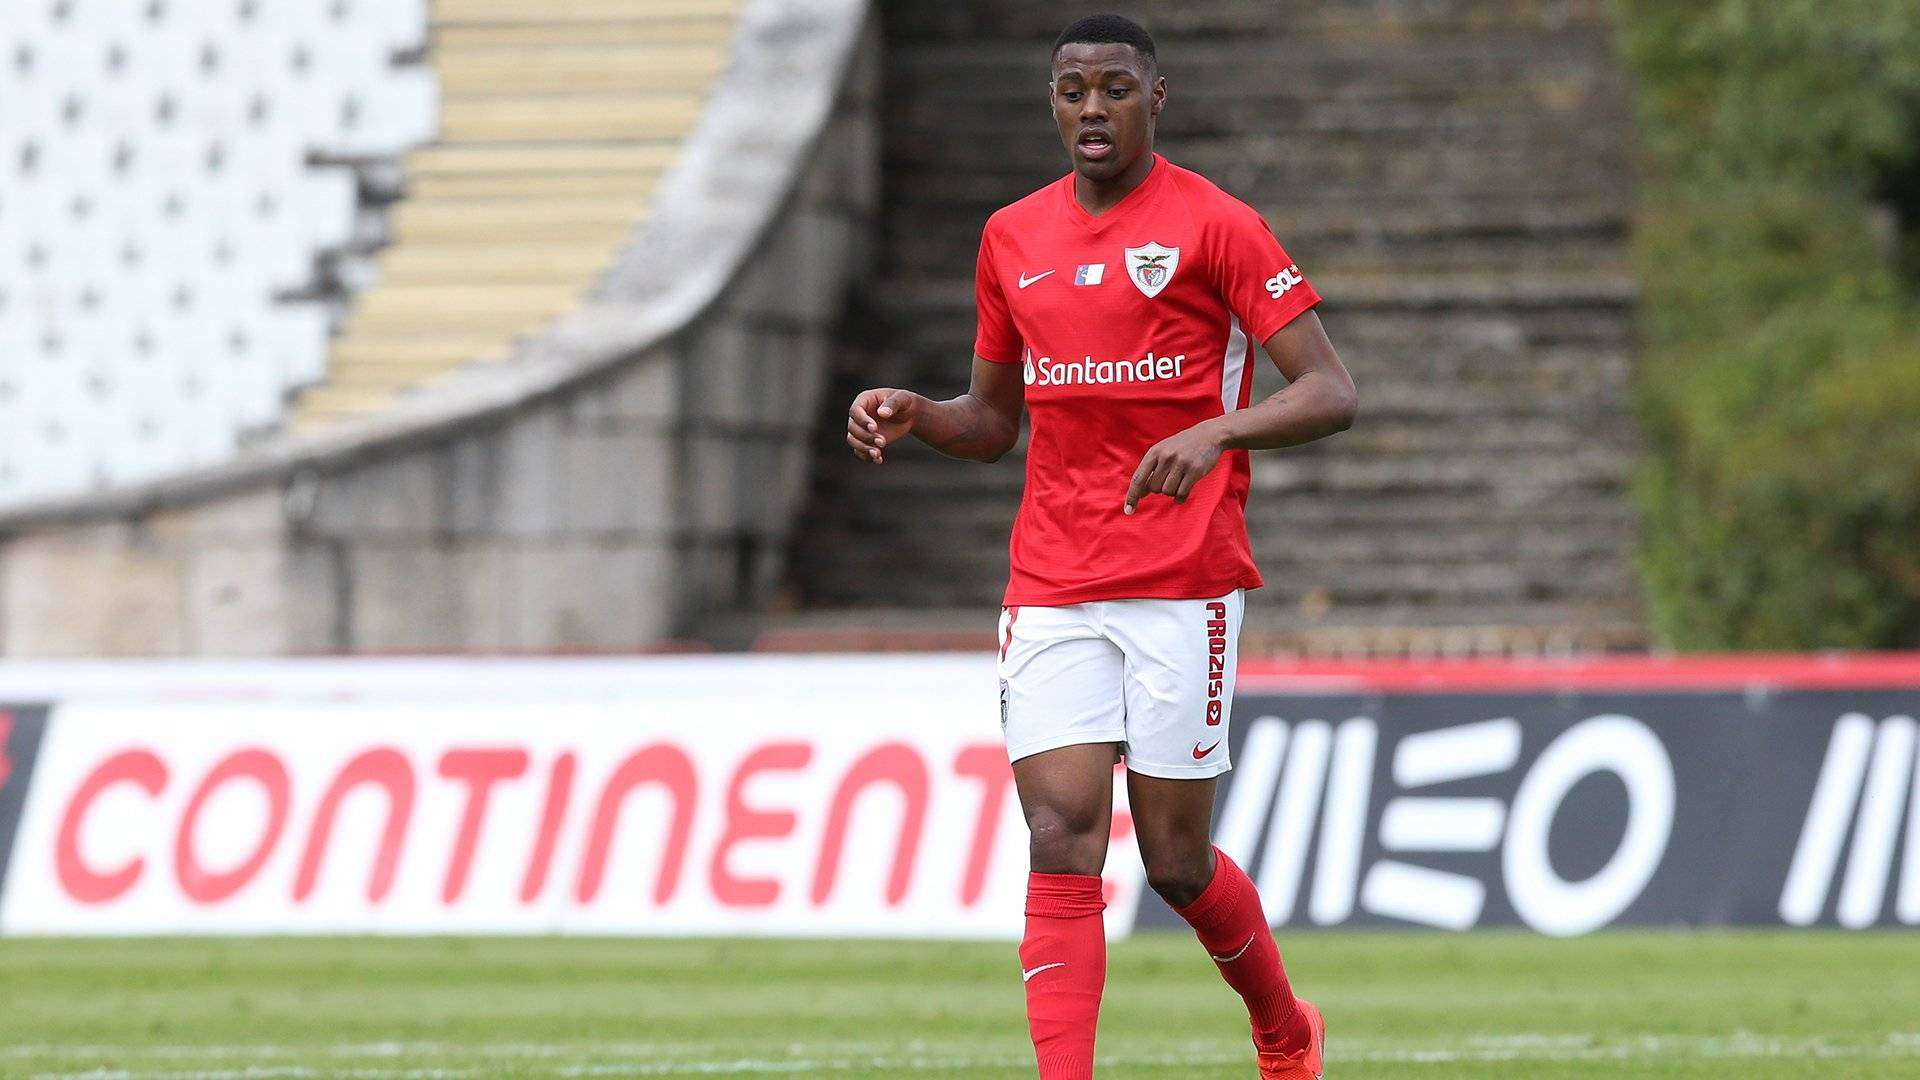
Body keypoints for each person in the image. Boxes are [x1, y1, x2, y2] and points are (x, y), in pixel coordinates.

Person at [845, 13, 1355, 1079]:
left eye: (1115, 89)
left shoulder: (1219, 226)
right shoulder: (1011, 237)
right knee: (1060, 833)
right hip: (1052, 580)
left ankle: (1282, 1027)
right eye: (1073, 89)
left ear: (1154, 100)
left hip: (1182, 578)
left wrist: (1216, 432)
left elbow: (1328, 390)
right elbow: (992, 423)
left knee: (1174, 862)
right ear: (1051, 102)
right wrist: (920, 414)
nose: (1092, 108)